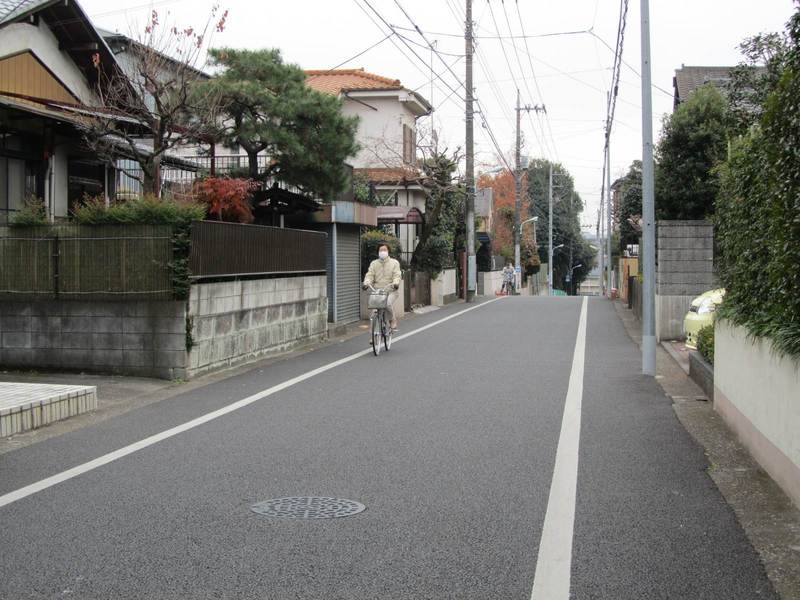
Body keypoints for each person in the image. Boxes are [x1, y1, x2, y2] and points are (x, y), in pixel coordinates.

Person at [363, 243, 402, 331]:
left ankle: (392, 320)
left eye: (384, 250)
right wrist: (366, 283)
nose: (382, 252)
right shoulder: (374, 263)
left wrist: (396, 283)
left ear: (388, 251)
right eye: (381, 250)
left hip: (391, 290)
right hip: (377, 292)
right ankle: (373, 335)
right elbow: (370, 275)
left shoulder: (394, 263)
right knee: (373, 312)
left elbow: (397, 275)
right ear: (378, 252)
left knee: (387, 303)